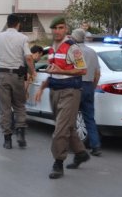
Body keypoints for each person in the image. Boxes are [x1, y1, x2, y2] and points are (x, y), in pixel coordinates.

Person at [34, 16, 90, 179]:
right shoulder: (52, 47)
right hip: (54, 91)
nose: (57, 31)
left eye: (60, 28)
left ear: (65, 29)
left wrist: (60, 71)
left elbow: (82, 70)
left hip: (70, 91)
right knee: (67, 127)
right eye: (55, 28)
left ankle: (58, 162)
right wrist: (43, 87)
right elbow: (52, 71)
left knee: (60, 129)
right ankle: (80, 153)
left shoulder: (72, 48)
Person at [0, 14, 37, 149]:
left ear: (7, 23)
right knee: (19, 105)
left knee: (5, 108)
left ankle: (7, 139)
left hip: (2, 76)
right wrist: (33, 71)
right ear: (18, 24)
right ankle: (21, 132)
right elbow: (28, 57)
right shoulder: (23, 38)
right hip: (17, 77)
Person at [71, 28, 102, 157]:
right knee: (89, 117)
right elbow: (97, 73)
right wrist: (92, 86)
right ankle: (95, 146)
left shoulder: (73, 51)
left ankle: (73, 145)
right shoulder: (92, 52)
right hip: (89, 85)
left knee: (70, 117)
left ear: (74, 38)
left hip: (75, 85)